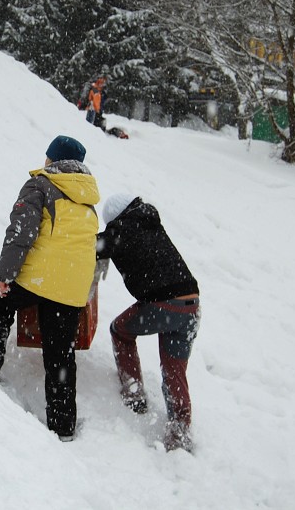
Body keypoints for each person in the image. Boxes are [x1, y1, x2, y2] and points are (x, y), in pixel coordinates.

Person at [0, 135, 99, 442]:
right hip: (73, 288)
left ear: (52, 159)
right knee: (60, 355)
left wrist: (5, 276)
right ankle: (63, 426)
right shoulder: (88, 197)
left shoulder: (40, 185)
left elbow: (20, 234)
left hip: (40, 278)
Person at [96, 193, 201, 452]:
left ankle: (134, 395)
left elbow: (89, 246)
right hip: (191, 305)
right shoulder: (150, 222)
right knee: (174, 371)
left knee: (120, 330)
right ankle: (180, 435)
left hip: (165, 305)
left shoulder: (121, 229)